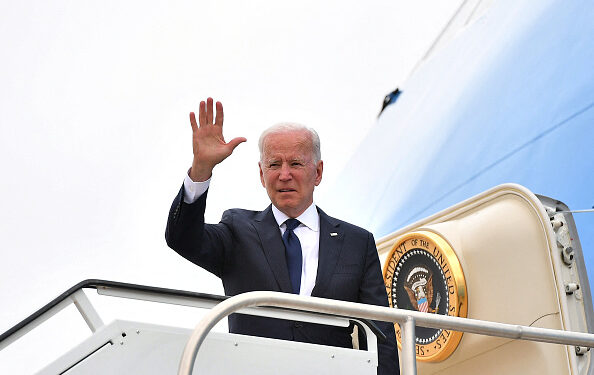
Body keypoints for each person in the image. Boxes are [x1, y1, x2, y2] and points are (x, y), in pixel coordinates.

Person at [166, 98, 399, 374]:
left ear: (318, 172)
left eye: (296, 163)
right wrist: (201, 170)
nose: (284, 175)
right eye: (274, 164)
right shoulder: (238, 229)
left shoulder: (356, 243)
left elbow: (381, 334)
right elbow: (182, 238)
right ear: (261, 174)